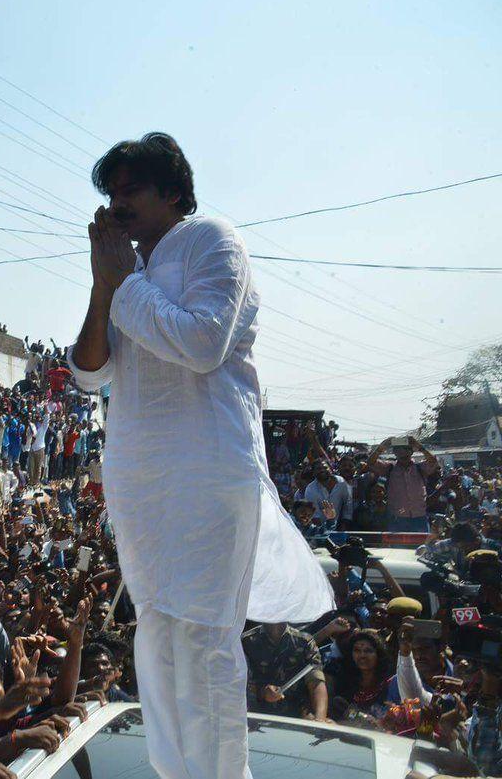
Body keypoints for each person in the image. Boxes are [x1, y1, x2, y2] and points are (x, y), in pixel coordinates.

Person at [68, 132, 332, 778]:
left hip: (209, 476)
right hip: (141, 482)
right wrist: (108, 285)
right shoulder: (125, 271)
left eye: (132, 188)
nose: (119, 202)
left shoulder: (214, 240)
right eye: (111, 192)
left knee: (205, 642)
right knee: (154, 636)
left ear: (174, 193)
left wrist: (123, 283)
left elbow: (204, 342)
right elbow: (86, 370)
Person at [367, 435, 439, 533]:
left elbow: (433, 461)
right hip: (397, 519)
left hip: (419, 517)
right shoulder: (389, 468)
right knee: (398, 548)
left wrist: (418, 446)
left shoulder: (419, 468)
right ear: (395, 453)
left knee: (421, 547)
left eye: (406, 449)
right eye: (398, 450)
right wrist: (382, 446)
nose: (402, 452)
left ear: (411, 452)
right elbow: (370, 462)